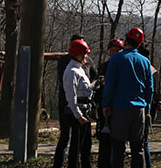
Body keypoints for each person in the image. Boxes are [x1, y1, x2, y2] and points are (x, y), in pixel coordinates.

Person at [101, 27, 153, 168]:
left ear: (126, 40)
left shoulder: (117, 58)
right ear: (139, 43)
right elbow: (149, 88)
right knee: (138, 149)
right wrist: (147, 108)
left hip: (120, 108)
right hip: (139, 109)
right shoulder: (145, 61)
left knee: (118, 149)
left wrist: (106, 104)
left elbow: (110, 84)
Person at [54, 34, 97, 168]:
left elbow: (85, 88)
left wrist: (97, 84)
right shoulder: (72, 70)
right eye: (84, 54)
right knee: (74, 144)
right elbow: (71, 96)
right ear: (77, 54)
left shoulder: (79, 68)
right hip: (76, 111)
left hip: (83, 108)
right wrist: (78, 115)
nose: (86, 57)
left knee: (81, 144)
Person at [95, 38, 124, 168]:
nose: (114, 53)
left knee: (117, 140)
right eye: (112, 50)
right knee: (104, 139)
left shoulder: (124, 66)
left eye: (117, 51)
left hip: (119, 107)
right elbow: (98, 87)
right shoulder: (104, 66)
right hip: (105, 107)